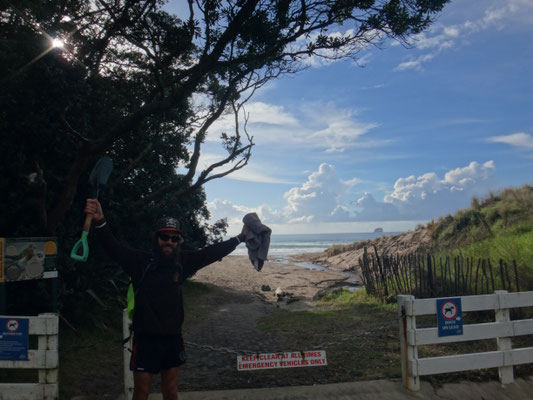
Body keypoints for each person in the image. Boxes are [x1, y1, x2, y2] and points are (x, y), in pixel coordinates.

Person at [84, 199, 248, 400]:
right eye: (164, 236)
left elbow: (211, 253)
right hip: (145, 339)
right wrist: (100, 221)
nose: (169, 242)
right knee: (141, 393)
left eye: (174, 238)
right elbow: (114, 248)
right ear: (156, 238)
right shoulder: (140, 262)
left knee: (171, 392)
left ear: (179, 241)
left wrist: (240, 238)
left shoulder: (183, 262)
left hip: (172, 338)